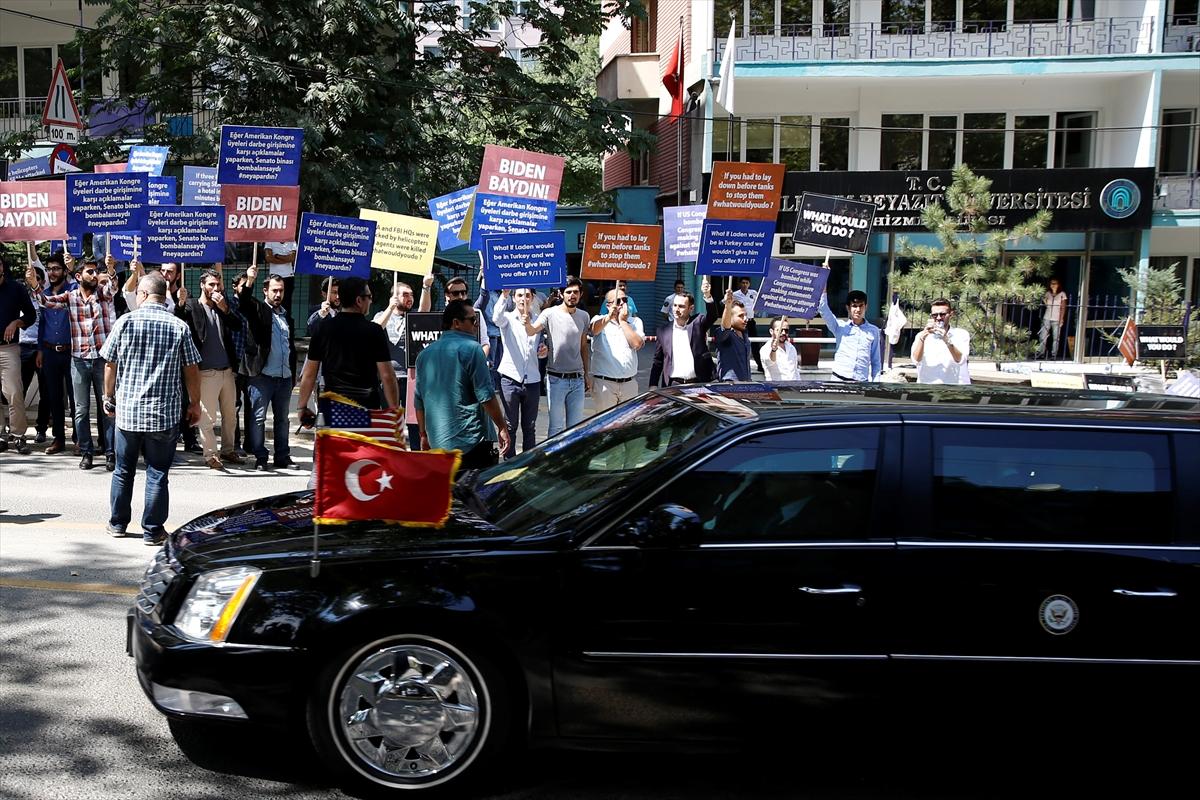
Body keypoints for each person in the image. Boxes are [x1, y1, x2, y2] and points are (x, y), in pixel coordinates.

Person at [101, 272, 201, 545]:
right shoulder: (178, 326)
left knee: (123, 470)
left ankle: (118, 524)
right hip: (163, 415)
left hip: (128, 414)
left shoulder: (125, 322)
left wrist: (107, 397)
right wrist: (194, 403)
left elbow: (110, 363)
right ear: (164, 294)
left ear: (143, 295)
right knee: (157, 472)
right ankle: (153, 530)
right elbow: (191, 368)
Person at [39, 256, 119, 469]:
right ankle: (86, 451)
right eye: (90, 272)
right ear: (78, 276)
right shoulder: (71, 296)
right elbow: (46, 302)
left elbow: (111, 289)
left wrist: (110, 271)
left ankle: (111, 453)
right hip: (79, 361)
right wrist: (35, 286)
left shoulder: (102, 295)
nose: (94, 276)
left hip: (102, 360)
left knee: (107, 408)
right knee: (81, 410)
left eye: (95, 272)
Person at [414, 299, 510, 469]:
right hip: (471, 444)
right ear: (456, 323)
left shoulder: (424, 355)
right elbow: (486, 396)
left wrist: (423, 435)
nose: (476, 325)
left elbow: (419, 402)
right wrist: (502, 426)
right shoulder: (473, 349)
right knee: (475, 494)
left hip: (439, 444)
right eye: (473, 320)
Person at [298, 276, 397, 424]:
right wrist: (394, 411)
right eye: (369, 297)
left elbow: (309, 374)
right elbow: (387, 376)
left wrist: (301, 407)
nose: (371, 300)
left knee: (333, 447)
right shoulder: (374, 331)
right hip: (366, 408)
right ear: (359, 300)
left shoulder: (323, 329)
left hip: (332, 407)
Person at [176, 268, 243, 470]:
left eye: (218, 285)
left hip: (227, 370)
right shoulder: (192, 306)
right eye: (211, 284)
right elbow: (180, 321)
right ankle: (211, 455)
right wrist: (180, 304)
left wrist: (225, 309)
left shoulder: (222, 306)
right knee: (207, 418)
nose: (215, 288)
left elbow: (238, 325)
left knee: (231, 415)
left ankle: (228, 449)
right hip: (206, 371)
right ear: (202, 285)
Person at [239, 266, 297, 471]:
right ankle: (261, 457)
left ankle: (282, 456)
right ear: (266, 291)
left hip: (284, 377)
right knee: (258, 418)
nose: (278, 294)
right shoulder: (258, 310)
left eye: (281, 290)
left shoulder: (286, 316)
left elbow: (290, 346)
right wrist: (250, 281)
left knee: (282, 419)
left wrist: (292, 374)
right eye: (274, 290)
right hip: (262, 376)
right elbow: (244, 302)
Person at [523, 276, 590, 437]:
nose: (572, 295)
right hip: (556, 380)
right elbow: (532, 331)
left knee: (575, 429)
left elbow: (583, 347)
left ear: (580, 294)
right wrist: (526, 323)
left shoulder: (584, 316)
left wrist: (587, 374)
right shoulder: (549, 313)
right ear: (561, 294)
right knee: (556, 428)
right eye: (568, 292)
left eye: (575, 292)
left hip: (578, 380)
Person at [34, 251, 76, 454]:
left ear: (64, 270)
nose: (52, 272)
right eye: (49, 269)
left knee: (77, 398)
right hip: (50, 351)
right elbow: (42, 323)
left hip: (72, 352)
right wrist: (40, 349)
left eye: (56, 268)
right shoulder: (45, 292)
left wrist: (73, 268)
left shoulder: (74, 290)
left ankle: (79, 438)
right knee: (53, 397)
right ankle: (58, 438)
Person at [493, 288, 543, 458]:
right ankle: (509, 461)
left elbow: (540, 346)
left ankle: (528, 461)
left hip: (532, 380)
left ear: (532, 298)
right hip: (510, 378)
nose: (523, 299)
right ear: (514, 298)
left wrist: (543, 350)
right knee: (510, 425)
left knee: (530, 426)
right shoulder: (507, 318)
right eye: (520, 295)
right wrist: (504, 295)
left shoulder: (537, 321)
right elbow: (496, 318)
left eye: (527, 296)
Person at [648, 276, 721, 387]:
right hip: (673, 384)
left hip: (698, 383)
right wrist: (653, 385)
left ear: (690, 308)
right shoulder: (663, 331)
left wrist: (707, 295)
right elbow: (658, 361)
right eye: (675, 305)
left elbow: (712, 316)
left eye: (681, 306)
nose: (676, 309)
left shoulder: (697, 323)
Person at [373, 281, 420, 449]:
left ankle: (415, 455)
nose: (410, 298)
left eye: (412, 295)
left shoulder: (414, 316)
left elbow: (425, 309)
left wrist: (427, 287)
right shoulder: (381, 314)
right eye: (405, 295)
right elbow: (376, 329)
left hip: (411, 379)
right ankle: (390, 456)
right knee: (389, 422)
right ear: (394, 297)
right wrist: (390, 308)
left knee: (414, 422)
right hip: (388, 378)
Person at [0, 252, 36, 454]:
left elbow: (30, 315)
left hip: (8, 349)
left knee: (14, 393)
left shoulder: (16, 288)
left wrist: (16, 322)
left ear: (2, 267)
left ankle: (19, 436)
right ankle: (1, 436)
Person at [589, 286, 645, 412]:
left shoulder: (635, 321)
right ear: (608, 305)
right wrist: (609, 317)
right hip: (605, 383)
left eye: (624, 300)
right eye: (618, 301)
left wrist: (623, 322)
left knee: (627, 424)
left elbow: (636, 344)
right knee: (604, 425)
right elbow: (593, 329)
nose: (622, 304)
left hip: (629, 383)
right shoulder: (599, 319)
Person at [818, 289, 881, 382]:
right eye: (854, 306)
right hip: (838, 380)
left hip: (861, 382)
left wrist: (876, 384)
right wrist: (823, 289)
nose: (858, 310)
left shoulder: (874, 331)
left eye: (861, 306)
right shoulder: (839, 327)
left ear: (866, 307)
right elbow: (823, 309)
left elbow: (876, 362)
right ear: (848, 308)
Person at [912, 298, 971, 384]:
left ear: (950, 314)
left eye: (942, 314)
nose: (939, 318)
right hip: (927, 385)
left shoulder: (961, 334)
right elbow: (916, 360)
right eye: (935, 315)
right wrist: (922, 338)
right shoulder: (921, 335)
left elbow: (960, 359)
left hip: (955, 387)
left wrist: (946, 339)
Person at [716, 288, 752, 381]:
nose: (745, 319)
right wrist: (728, 306)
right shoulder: (724, 334)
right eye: (740, 316)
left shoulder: (745, 333)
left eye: (745, 315)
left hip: (746, 385)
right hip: (729, 386)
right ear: (730, 317)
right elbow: (725, 327)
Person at [732, 277, 763, 373]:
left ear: (749, 284)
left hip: (751, 321)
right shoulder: (735, 294)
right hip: (740, 322)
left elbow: (760, 302)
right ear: (740, 284)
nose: (745, 284)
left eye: (747, 283)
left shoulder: (753, 293)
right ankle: (740, 365)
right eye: (743, 282)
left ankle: (760, 366)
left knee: (755, 344)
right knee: (740, 343)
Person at [760, 316, 799, 381]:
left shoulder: (791, 348)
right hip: (777, 389)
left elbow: (795, 371)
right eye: (780, 330)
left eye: (786, 330)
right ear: (771, 331)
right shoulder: (765, 349)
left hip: (794, 388)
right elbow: (771, 360)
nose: (783, 333)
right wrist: (774, 350)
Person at [1038, 277, 1068, 360]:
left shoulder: (1062, 294)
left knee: (1056, 338)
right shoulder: (1048, 294)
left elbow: (1063, 307)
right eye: (1052, 283)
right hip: (1047, 317)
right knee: (1043, 336)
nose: (1053, 285)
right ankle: (1041, 353)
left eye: (1055, 283)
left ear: (1058, 285)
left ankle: (1054, 354)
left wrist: (1061, 318)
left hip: (1056, 318)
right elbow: (1046, 304)